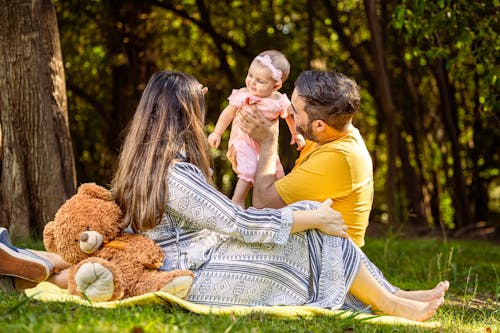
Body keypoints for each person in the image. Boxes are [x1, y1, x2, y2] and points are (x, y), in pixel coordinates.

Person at [0, 71, 446, 322]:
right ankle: (391, 303)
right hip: (194, 274)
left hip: (193, 261)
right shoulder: (174, 170)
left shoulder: (141, 163)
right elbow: (238, 223)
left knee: (312, 228)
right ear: (185, 114)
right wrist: (308, 220)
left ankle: (393, 295)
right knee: (311, 219)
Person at [239, 69, 450, 302]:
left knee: (306, 213)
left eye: (295, 111)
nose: (288, 110)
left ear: (319, 125)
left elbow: (263, 203)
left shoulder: (339, 157)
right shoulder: (327, 137)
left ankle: (386, 298)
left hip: (331, 264)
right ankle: (396, 294)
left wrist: (268, 141)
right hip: (330, 254)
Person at [207, 50, 305, 208]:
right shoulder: (243, 94)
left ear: (276, 86)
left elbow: (289, 116)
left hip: (264, 147)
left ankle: (271, 211)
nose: (252, 82)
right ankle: (237, 201)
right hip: (243, 141)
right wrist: (217, 132)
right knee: (251, 169)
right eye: (250, 75)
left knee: (273, 174)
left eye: (260, 81)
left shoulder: (279, 100)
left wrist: (296, 133)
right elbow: (228, 113)